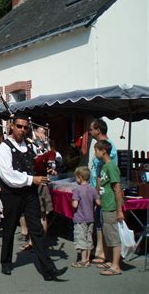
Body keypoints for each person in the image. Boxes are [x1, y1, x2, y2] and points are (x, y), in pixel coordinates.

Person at [0, 114, 67, 281]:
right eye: (19, 126)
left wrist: (47, 167)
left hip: (29, 193)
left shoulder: (29, 145)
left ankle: (48, 269)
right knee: (10, 228)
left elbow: (40, 161)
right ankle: (5, 261)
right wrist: (31, 179)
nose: (22, 130)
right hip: (12, 194)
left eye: (25, 127)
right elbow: (8, 176)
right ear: (11, 127)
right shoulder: (4, 148)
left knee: (36, 229)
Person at [88, 118, 118, 264]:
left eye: (91, 129)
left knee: (103, 220)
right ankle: (100, 249)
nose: (90, 131)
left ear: (98, 130)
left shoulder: (108, 146)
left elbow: (104, 170)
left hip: (103, 190)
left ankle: (105, 252)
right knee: (98, 219)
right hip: (97, 187)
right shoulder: (98, 145)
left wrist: (97, 188)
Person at [94, 140, 124, 276]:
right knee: (108, 234)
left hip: (111, 207)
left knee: (113, 236)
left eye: (96, 150)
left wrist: (119, 210)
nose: (95, 153)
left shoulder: (111, 167)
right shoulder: (105, 167)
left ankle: (116, 266)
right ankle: (112, 261)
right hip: (105, 205)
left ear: (103, 151)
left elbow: (117, 188)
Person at [71, 166, 100, 268]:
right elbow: (98, 202)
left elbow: (75, 205)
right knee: (89, 238)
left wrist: (72, 201)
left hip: (80, 218)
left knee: (81, 238)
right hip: (90, 218)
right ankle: (87, 259)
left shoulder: (77, 190)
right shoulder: (92, 189)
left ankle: (83, 260)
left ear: (80, 177)